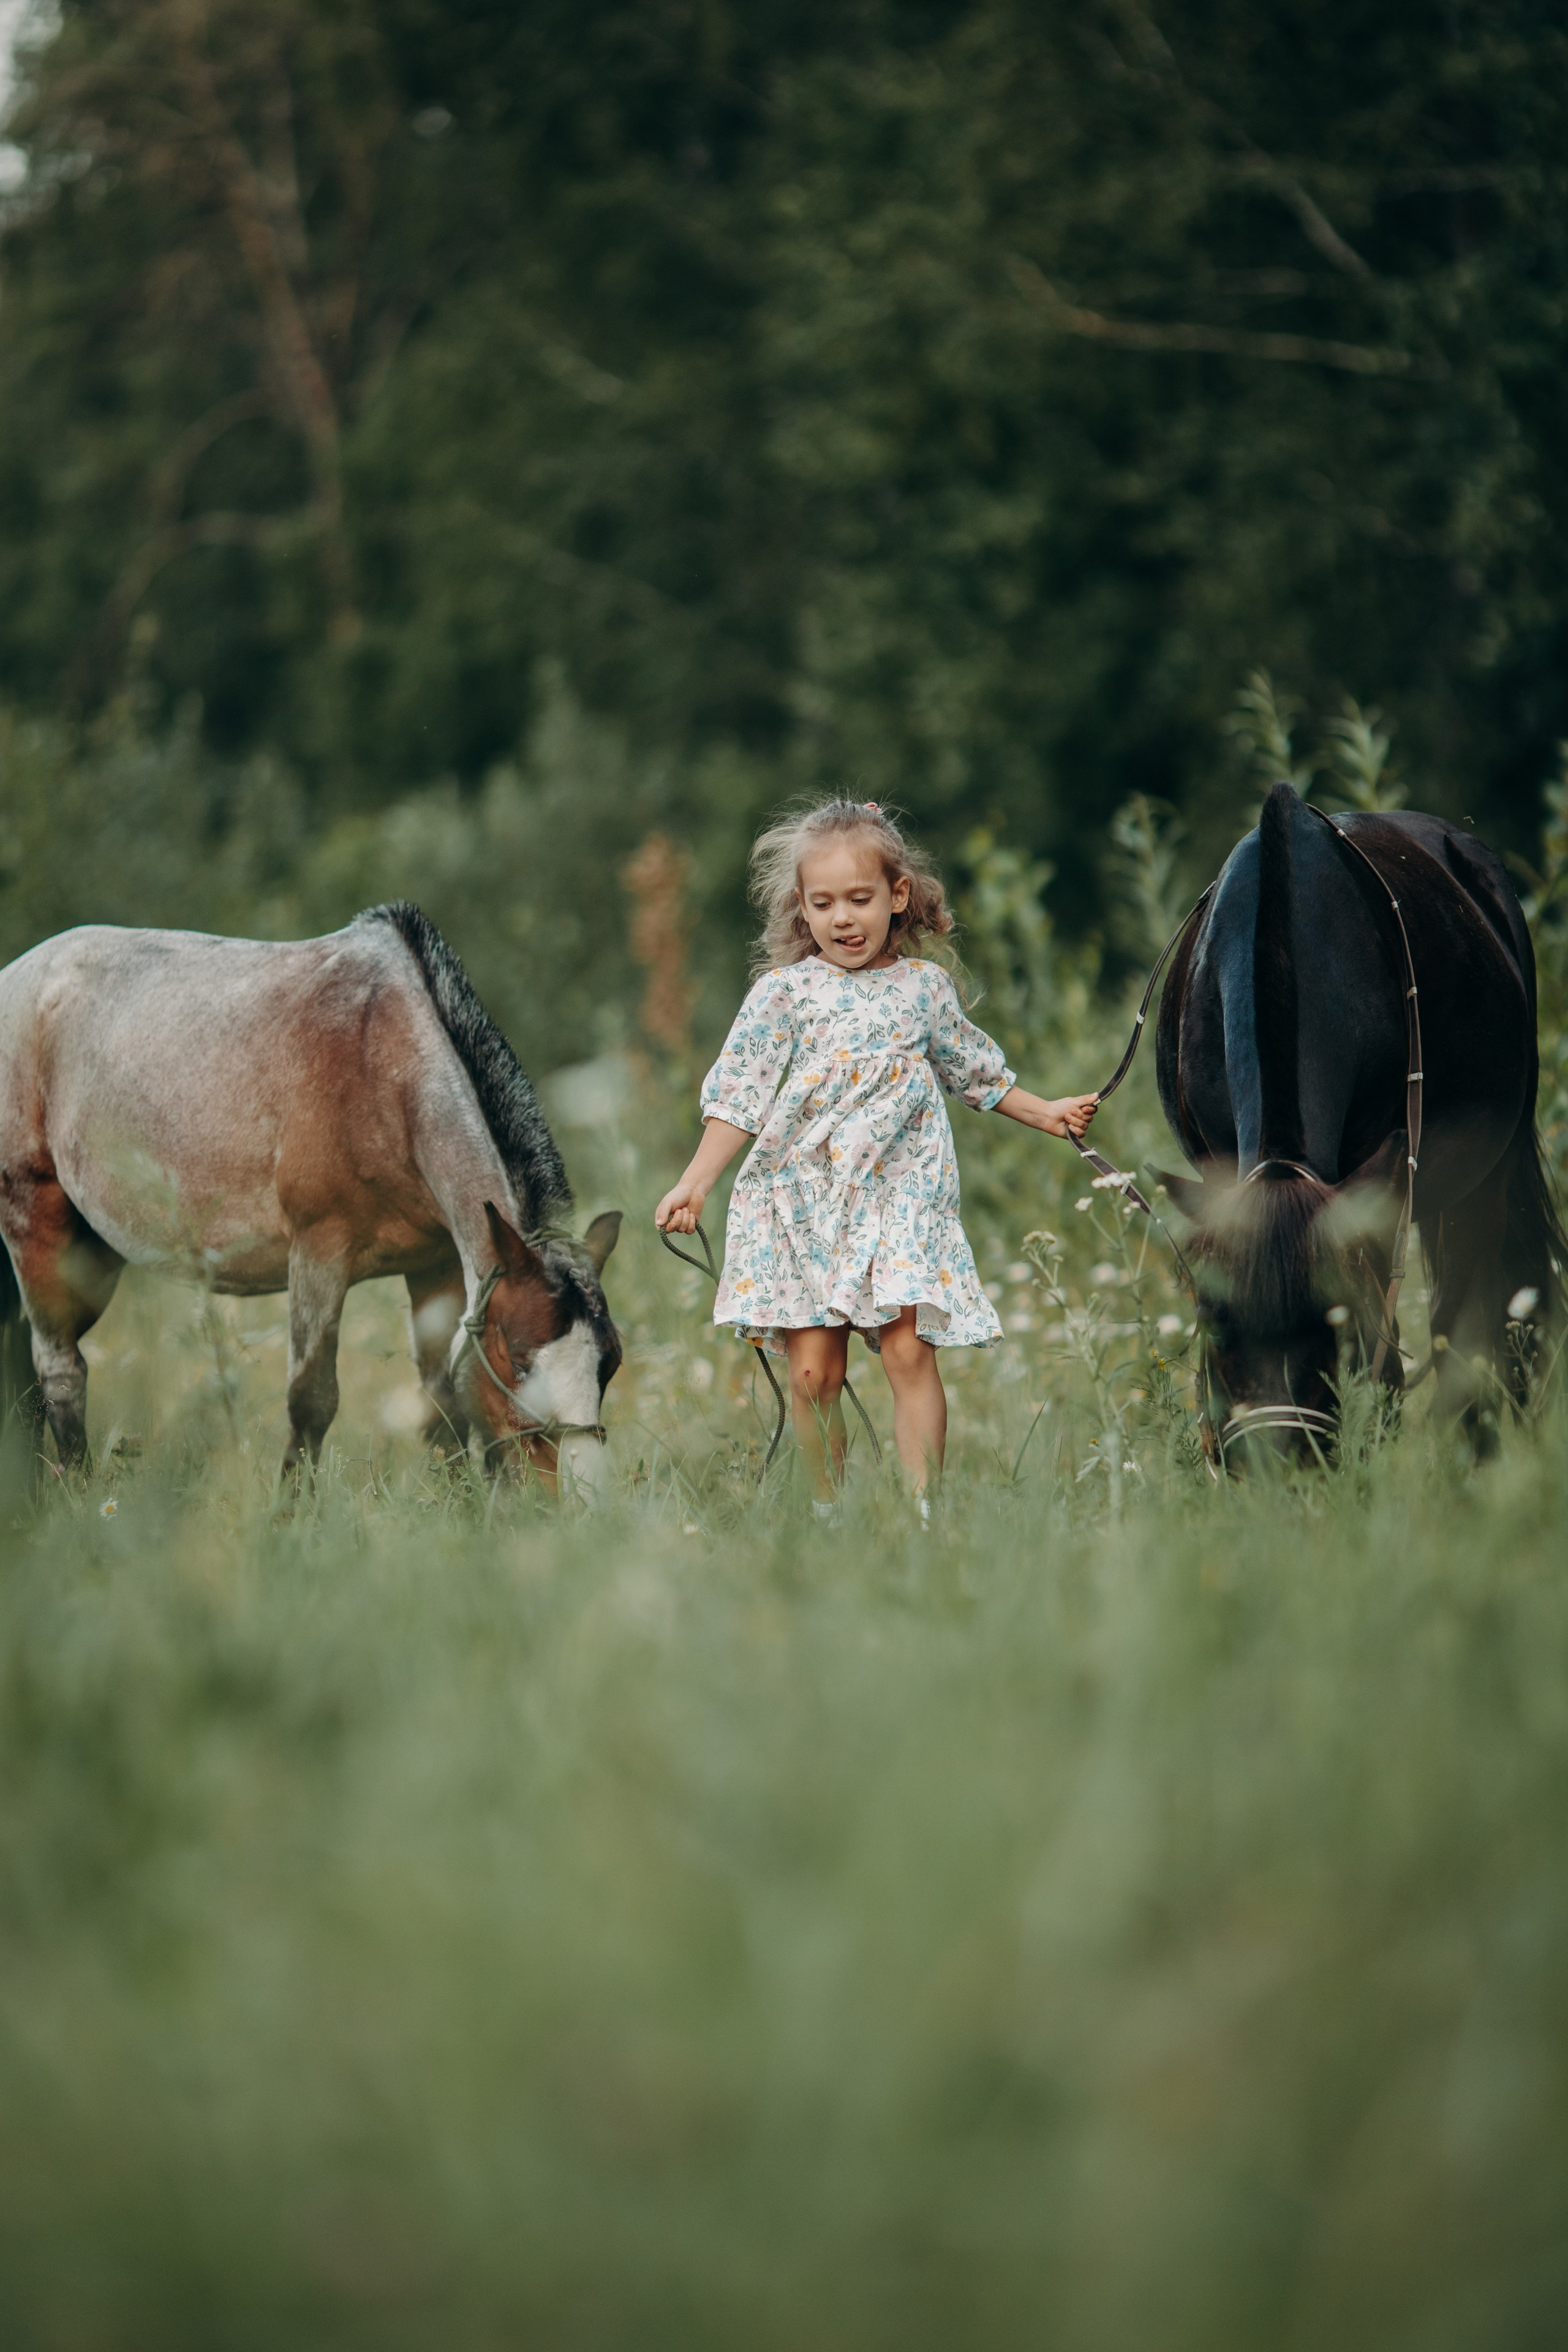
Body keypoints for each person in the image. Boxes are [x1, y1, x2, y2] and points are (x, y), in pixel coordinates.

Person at [654, 798, 1097, 1514]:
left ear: (897, 896)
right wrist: (694, 1181)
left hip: (901, 1195)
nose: (843, 918)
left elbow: (975, 1074)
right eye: (823, 903)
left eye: (860, 899)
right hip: (801, 1203)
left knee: (908, 1352)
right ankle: (826, 1517)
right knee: (812, 1376)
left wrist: (1046, 1112)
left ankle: (926, 1515)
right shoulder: (783, 995)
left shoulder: (925, 991)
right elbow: (738, 1097)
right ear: (802, 908)